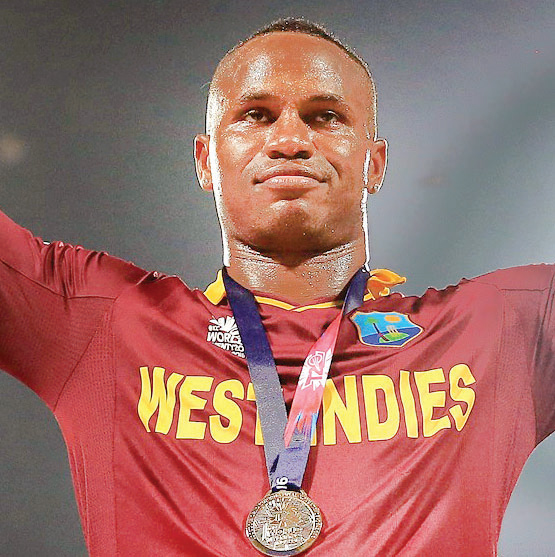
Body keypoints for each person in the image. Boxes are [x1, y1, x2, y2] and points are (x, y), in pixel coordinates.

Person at [1, 17, 553, 556]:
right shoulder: (105, 323)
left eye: (325, 116)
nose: (290, 139)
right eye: (256, 115)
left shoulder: (500, 331)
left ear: (374, 164)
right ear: (206, 161)